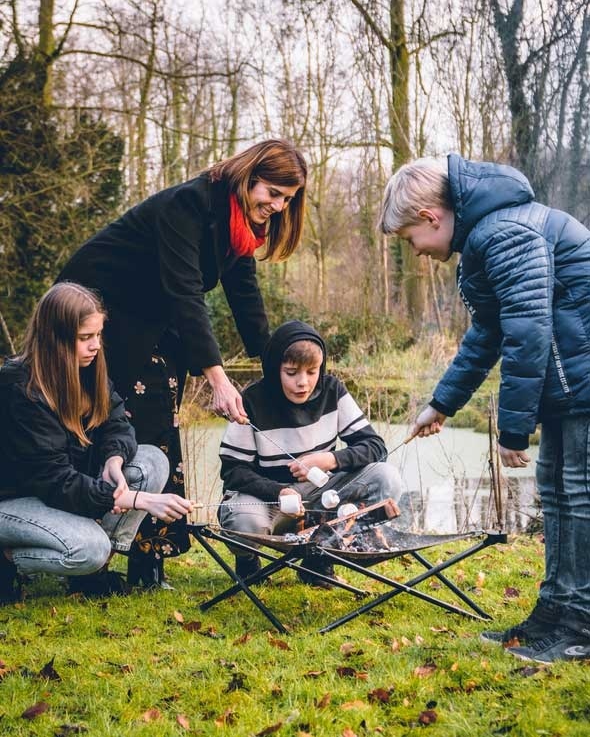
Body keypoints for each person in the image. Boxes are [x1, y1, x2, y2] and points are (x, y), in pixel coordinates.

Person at [56, 139, 307, 587]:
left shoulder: (238, 225)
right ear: (248, 177)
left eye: (286, 199)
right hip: (100, 311)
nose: (277, 206)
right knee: (106, 429)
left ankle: (148, 560)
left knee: (161, 429)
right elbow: (185, 292)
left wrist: (274, 367)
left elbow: (244, 294)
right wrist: (218, 379)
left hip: (154, 319)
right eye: (272, 193)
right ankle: (88, 561)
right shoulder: (189, 205)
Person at [378, 153, 590, 663]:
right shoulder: (490, 233)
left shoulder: (503, 233)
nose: (417, 251)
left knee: (578, 495)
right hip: (570, 382)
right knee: (557, 493)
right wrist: (441, 403)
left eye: (410, 239)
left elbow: (527, 332)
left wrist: (513, 430)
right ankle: (554, 611)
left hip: (581, 380)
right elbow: (488, 333)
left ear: (430, 217)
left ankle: (580, 624)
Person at [0, 283, 194, 604]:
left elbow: (117, 423)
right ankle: (8, 560)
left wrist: (113, 460)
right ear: (54, 338)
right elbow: (54, 480)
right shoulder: (21, 389)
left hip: (59, 490)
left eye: (99, 335)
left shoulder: (89, 370)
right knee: (88, 549)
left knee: (152, 461)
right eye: (84, 338)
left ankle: (93, 574)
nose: (95, 346)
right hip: (14, 501)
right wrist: (136, 499)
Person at [218, 320, 403, 587]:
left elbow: (375, 446)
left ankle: (319, 559)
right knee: (244, 523)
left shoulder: (332, 391)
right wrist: (278, 491)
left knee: (387, 477)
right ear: (275, 369)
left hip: (321, 497)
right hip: (267, 499)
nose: (303, 382)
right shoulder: (252, 400)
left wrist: (330, 460)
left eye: (312, 372)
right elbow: (233, 470)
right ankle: (248, 561)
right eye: (291, 373)